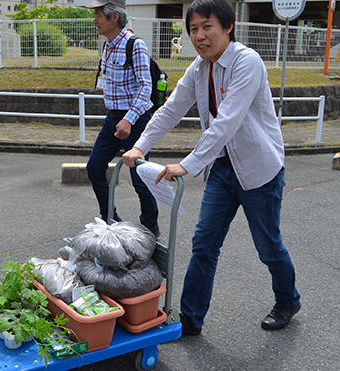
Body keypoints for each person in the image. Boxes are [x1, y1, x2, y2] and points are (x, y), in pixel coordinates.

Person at [123, 0, 301, 335]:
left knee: (268, 246)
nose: (200, 36)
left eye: (207, 26)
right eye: (193, 29)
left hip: (258, 171)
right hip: (222, 169)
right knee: (204, 244)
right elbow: (171, 109)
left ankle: (288, 299)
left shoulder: (247, 62)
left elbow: (227, 122)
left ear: (227, 27)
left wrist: (186, 165)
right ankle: (190, 319)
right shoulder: (199, 68)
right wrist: (139, 146)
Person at [83, 0, 159, 237]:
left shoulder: (135, 45)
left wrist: (129, 119)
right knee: (95, 167)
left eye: (98, 15)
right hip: (113, 119)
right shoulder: (108, 46)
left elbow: (147, 86)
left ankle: (149, 227)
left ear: (114, 17)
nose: (95, 20)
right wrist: (118, 119)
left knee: (140, 177)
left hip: (135, 120)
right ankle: (110, 218)